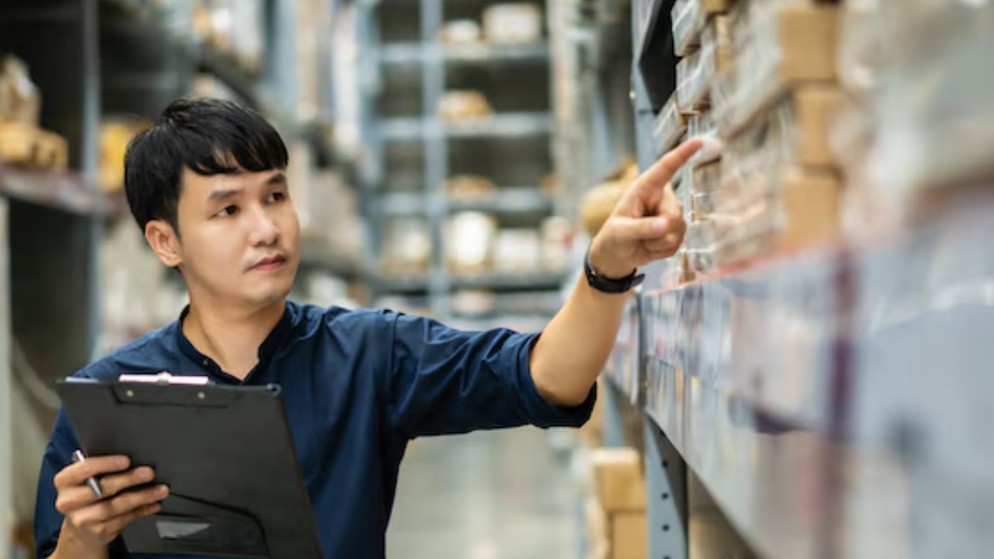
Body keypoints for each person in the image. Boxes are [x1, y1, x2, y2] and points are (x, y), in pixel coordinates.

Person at [33, 98, 702, 559]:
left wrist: (607, 268)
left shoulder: (367, 353)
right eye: (227, 209)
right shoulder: (112, 399)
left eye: (274, 195)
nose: (266, 227)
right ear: (164, 240)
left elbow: (545, 373)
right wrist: (84, 540)